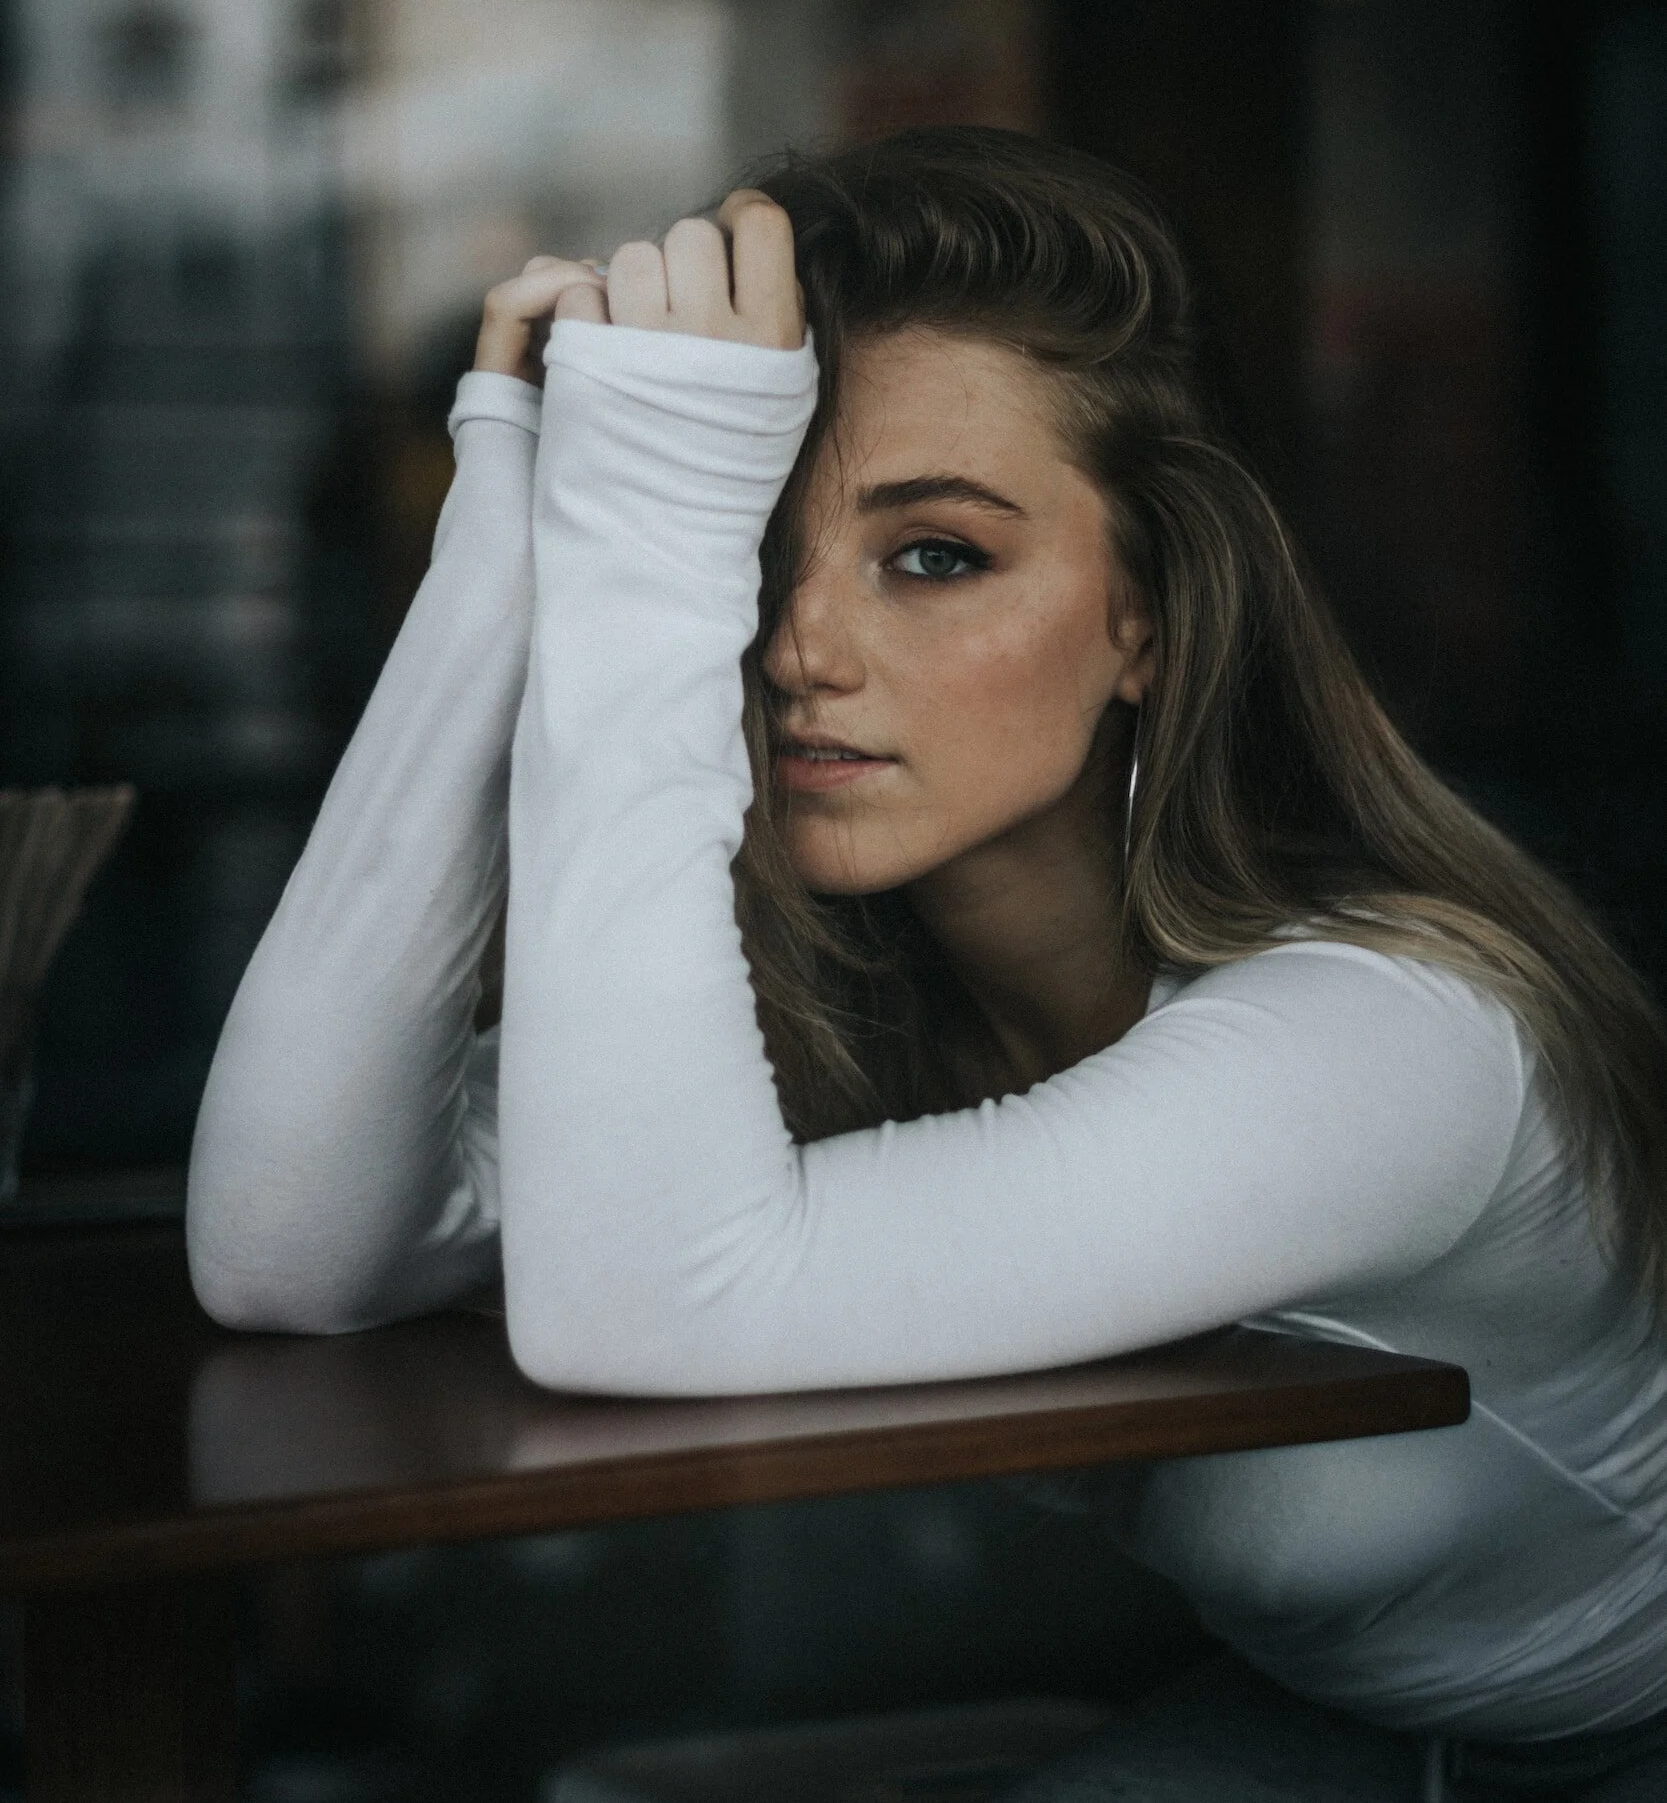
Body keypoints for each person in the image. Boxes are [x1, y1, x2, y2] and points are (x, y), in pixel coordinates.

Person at [188, 128, 1667, 1801]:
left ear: (1149, 620)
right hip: (1357, 1742)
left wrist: (656, 544)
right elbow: (289, 1244)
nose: (797, 650)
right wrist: (507, 542)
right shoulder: (858, 1014)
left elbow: (646, 1301)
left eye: (935, 555)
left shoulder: (1390, 1042)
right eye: (752, 558)